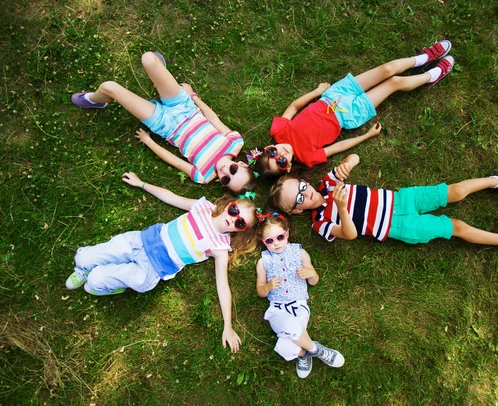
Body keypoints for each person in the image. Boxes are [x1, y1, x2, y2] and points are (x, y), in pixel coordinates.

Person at [65, 172, 259, 352]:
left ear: (239, 230)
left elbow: (223, 287)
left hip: (152, 270)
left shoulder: (220, 248)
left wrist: (228, 326)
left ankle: (104, 284)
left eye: (240, 223)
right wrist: (141, 183)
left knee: (96, 281)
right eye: (234, 211)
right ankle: (83, 270)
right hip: (140, 242)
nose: (233, 219)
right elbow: (171, 197)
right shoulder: (203, 208)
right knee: (83, 258)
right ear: (228, 206)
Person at [250, 40, 454, 179]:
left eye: (272, 152)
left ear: (268, 147)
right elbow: (338, 147)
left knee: (387, 69)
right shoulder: (307, 158)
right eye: (281, 161)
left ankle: (423, 58)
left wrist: (318, 91)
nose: (280, 153)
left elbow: (294, 106)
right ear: (288, 168)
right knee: (394, 82)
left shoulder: (278, 132)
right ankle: (432, 76)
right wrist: (365, 136)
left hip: (334, 95)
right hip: (350, 115)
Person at [71, 51, 256, 193]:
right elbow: (214, 118)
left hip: (165, 125)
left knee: (108, 87)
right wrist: (193, 96)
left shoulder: (204, 176)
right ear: (242, 164)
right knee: (148, 59)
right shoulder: (235, 143)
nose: (225, 172)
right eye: (233, 170)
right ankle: (159, 73)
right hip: (185, 107)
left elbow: (174, 160)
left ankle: (95, 100)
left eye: (225, 180)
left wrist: (148, 141)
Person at [269, 154, 498, 249]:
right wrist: (341, 208)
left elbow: (356, 158)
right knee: (453, 226)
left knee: (452, 191)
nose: (308, 192)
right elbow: (349, 235)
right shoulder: (320, 223)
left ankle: (496, 181)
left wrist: (347, 164)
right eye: (301, 197)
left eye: (302, 186)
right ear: (297, 210)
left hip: (401, 199)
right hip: (398, 228)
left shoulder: (327, 184)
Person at [255, 212, 344, 378]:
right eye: (269, 241)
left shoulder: (300, 253)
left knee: (283, 345)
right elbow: (260, 291)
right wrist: (267, 286)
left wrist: (309, 273)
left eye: (280, 237)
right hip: (277, 310)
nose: (276, 243)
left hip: (299, 306)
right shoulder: (263, 261)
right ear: (263, 242)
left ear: (287, 233)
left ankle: (303, 353)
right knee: (290, 326)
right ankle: (318, 351)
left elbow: (314, 281)